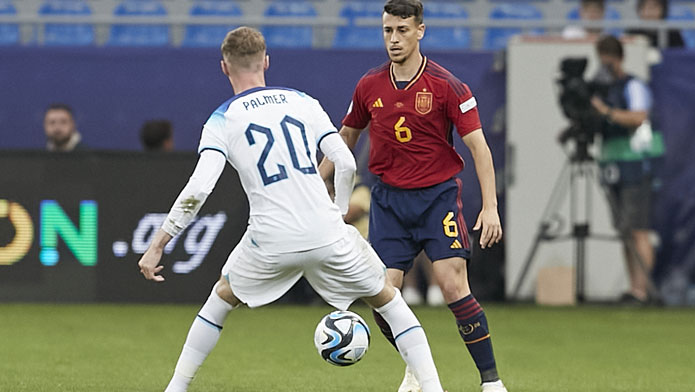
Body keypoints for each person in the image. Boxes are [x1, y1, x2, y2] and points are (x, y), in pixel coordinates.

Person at [137, 26, 444, 392]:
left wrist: (159, 244)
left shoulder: (222, 119)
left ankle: (177, 387)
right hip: (327, 231)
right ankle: (433, 387)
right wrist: (338, 211)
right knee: (389, 302)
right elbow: (345, 162)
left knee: (220, 302)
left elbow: (199, 188)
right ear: (266, 62)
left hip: (270, 239)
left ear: (224, 68)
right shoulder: (302, 101)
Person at [320, 1, 506, 391]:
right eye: (388, 30)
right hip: (389, 201)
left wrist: (490, 207)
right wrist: (315, 185)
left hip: (436, 198)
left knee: (453, 286)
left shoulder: (447, 86)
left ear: (420, 31)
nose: (394, 38)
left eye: (402, 30)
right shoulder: (369, 85)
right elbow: (345, 140)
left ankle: (491, 382)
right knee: (381, 294)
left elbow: (480, 148)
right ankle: (417, 369)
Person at [590, 35, 665, 304]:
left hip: (637, 162)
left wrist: (606, 112)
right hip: (613, 163)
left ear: (619, 58)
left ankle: (642, 289)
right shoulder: (602, 89)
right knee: (624, 230)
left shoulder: (633, 85)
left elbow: (638, 116)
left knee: (638, 228)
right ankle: (634, 288)